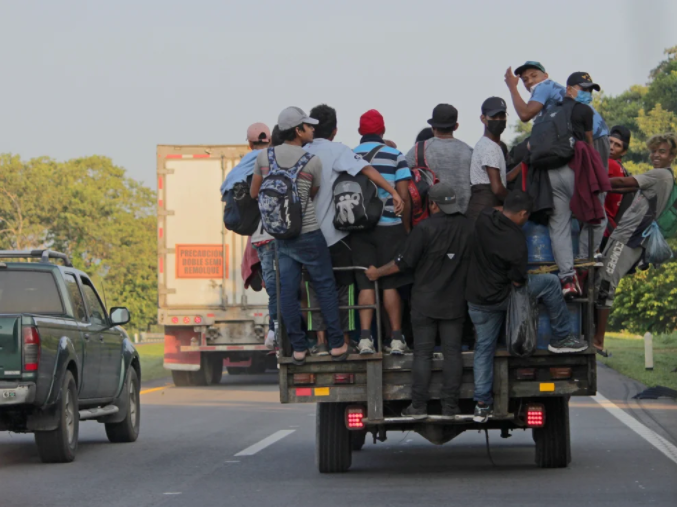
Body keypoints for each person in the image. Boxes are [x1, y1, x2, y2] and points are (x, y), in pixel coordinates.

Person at [466, 191, 587, 423]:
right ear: (522, 214)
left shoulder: (483, 218)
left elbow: (495, 210)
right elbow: (518, 281)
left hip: (477, 299)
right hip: (503, 297)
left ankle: (482, 404)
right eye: (526, 216)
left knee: (484, 348)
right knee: (551, 282)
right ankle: (561, 337)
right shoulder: (516, 242)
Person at [365, 183, 473, 418]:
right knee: (452, 353)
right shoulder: (468, 227)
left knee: (422, 354)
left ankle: (419, 406)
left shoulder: (424, 229)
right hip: (455, 302)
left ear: (432, 204)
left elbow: (402, 263)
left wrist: (377, 273)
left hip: (424, 302)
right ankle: (450, 407)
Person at [303, 104, 404, 355]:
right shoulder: (341, 151)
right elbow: (368, 171)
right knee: (348, 287)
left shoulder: (301, 151)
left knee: (315, 287)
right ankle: (352, 340)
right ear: (335, 130)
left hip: (306, 235)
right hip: (340, 235)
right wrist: (392, 192)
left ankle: (322, 341)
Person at [250, 107, 348, 365]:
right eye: (307, 126)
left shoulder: (264, 157)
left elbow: (254, 193)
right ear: (297, 130)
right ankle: (336, 344)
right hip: (308, 232)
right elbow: (313, 192)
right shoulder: (311, 160)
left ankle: (299, 348)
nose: (312, 129)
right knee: (325, 286)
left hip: (280, 236)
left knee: (287, 292)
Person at [594, 133, 677, 355]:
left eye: (662, 151)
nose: (656, 155)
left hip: (629, 238)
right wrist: (604, 186)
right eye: (654, 151)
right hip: (627, 236)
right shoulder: (663, 176)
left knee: (605, 282)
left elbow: (623, 182)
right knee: (601, 280)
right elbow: (623, 188)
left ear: (672, 156)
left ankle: (598, 340)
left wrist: (592, 182)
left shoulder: (660, 175)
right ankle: (595, 334)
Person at [352, 109, 412, 355]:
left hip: (358, 227)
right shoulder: (395, 155)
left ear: (359, 132)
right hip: (390, 227)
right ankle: (396, 339)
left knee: (365, 283)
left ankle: (365, 339)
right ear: (383, 131)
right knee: (390, 284)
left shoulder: (349, 155)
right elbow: (404, 194)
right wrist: (406, 228)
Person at [547, 73, 609, 298]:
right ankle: (583, 263)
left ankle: (567, 278)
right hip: (576, 170)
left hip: (552, 173)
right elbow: (590, 146)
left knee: (559, 226)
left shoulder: (550, 110)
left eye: (590, 89)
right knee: (597, 216)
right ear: (569, 89)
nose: (587, 94)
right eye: (583, 89)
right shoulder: (585, 112)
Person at [220, 123, 277, 347]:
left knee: (272, 287)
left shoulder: (240, 167)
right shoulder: (272, 159)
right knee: (283, 287)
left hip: (258, 237)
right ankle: (277, 330)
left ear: (249, 144)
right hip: (276, 233)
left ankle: (274, 333)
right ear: (270, 140)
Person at [405, 104, 473, 213]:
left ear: (433, 127)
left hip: (430, 221)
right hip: (464, 220)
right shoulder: (469, 151)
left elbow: (401, 176)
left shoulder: (419, 149)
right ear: (456, 126)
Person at [467, 97, 522, 222]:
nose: (499, 120)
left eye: (502, 116)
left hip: (483, 208)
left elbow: (502, 178)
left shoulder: (491, 145)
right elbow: (497, 189)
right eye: (494, 117)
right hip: (484, 209)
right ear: (483, 119)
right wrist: (515, 201)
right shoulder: (489, 147)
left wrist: (523, 164)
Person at [604, 125, 632, 240]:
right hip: (612, 229)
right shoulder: (623, 169)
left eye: (617, 145)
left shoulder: (610, 164)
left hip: (602, 227)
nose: (611, 147)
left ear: (624, 152)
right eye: (610, 142)